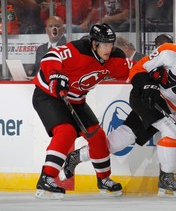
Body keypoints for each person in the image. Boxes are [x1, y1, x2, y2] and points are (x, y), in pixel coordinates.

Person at [59, 34, 176, 198]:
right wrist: (148, 85)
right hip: (144, 96)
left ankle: (78, 156)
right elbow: (138, 68)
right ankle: (166, 178)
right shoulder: (169, 52)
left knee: (121, 140)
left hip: (163, 108)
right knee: (172, 131)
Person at [32, 23, 134, 200]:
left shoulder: (115, 59)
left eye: (111, 44)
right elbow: (51, 57)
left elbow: (134, 70)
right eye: (104, 44)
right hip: (49, 95)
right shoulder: (78, 49)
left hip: (77, 101)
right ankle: (47, 178)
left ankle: (103, 179)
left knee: (98, 137)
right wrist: (55, 75)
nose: (108, 49)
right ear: (94, 43)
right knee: (66, 132)